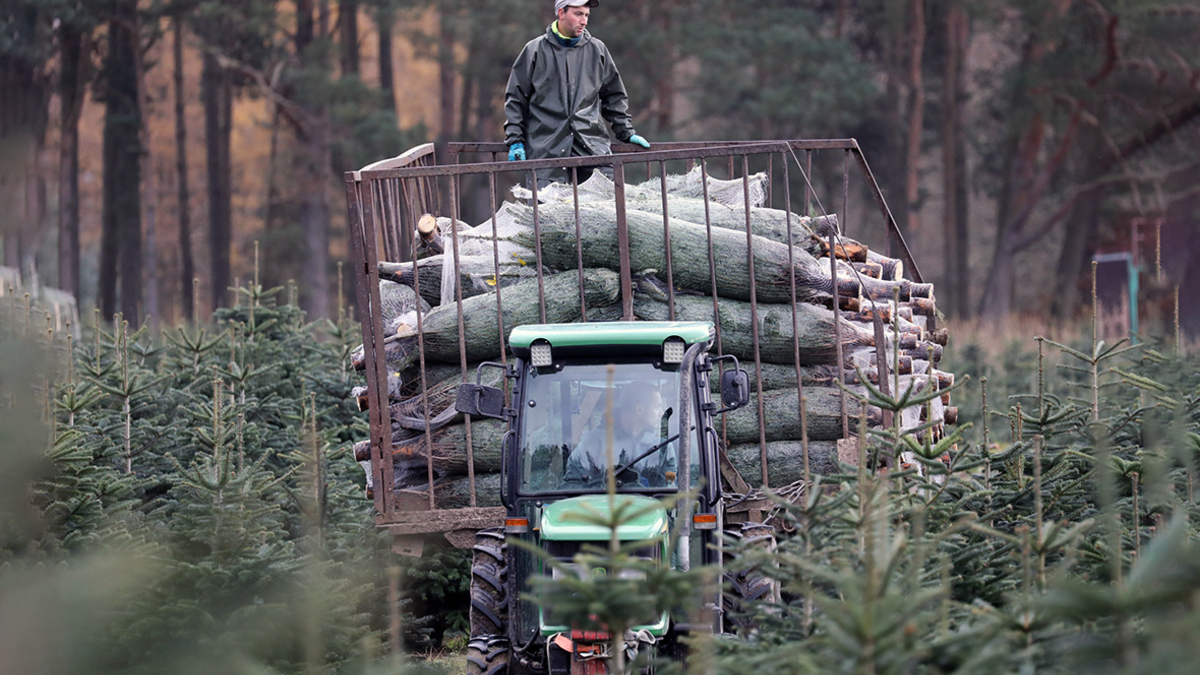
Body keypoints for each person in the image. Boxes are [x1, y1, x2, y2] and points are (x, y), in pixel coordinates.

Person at [504, 0, 651, 187]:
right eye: (578, 14)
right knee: (547, 216)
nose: (584, 21)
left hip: (593, 152)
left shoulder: (597, 50)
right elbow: (516, 99)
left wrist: (626, 132)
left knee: (602, 214)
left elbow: (613, 96)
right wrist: (515, 140)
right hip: (546, 156)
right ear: (561, 13)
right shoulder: (534, 50)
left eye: (587, 15)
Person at [563, 385, 675, 487]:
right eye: (657, 406)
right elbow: (571, 486)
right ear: (639, 409)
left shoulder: (663, 448)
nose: (661, 413)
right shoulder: (593, 442)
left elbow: (669, 494)